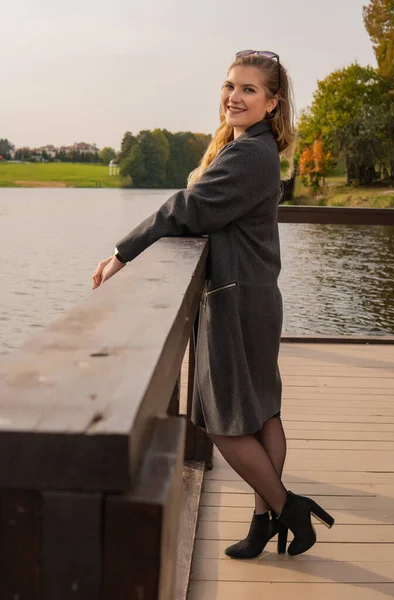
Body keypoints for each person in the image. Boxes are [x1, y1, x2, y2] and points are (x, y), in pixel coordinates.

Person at [92, 50, 334, 558]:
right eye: (230, 86)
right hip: (253, 296)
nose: (234, 96)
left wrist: (122, 251)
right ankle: (265, 520)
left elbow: (189, 209)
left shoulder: (251, 155)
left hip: (237, 302)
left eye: (249, 89)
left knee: (225, 423)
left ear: (272, 102)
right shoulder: (250, 147)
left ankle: (289, 508)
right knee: (264, 413)